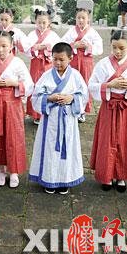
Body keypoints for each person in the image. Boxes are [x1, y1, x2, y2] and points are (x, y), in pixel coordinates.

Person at [89, 30, 127, 193]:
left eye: (121, 48)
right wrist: (109, 85)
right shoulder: (103, 64)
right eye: (114, 48)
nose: (117, 52)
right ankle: (106, 175)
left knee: (125, 140)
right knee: (107, 141)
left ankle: (121, 176)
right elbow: (92, 85)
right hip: (109, 107)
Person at [29, 42, 88, 195]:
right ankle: (49, 179)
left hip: (68, 119)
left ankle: (65, 179)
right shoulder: (46, 75)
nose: (58, 63)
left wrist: (72, 98)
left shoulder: (75, 76)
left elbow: (84, 95)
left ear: (70, 58)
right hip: (51, 120)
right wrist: (49, 98)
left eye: (61, 59)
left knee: (68, 148)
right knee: (49, 149)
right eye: (55, 59)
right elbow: (36, 96)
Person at [0, 31, 33, 188]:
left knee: (13, 136)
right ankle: (1, 170)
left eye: (4, 46)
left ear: (11, 46)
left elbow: (29, 85)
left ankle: (14, 171)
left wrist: (14, 83)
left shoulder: (17, 63)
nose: (0, 50)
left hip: (12, 104)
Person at [61, 8, 103, 122]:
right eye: (78, 17)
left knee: (84, 84)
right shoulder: (71, 31)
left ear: (88, 19)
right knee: (72, 83)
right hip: (73, 60)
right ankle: (70, 106)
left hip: (86, 61)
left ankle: (82, 110)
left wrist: (87, 47)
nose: (81, 20)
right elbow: (62, 43)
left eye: (83, 18)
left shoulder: (92, 32)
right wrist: (73, 45)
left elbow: (100, 48)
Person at [26, 9, 61, 124]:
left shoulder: (53, 35)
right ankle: (36, 114)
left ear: (49, 23)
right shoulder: (31, 35)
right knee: (36, 85)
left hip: (48, 63)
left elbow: (58, 48)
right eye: (39, 22)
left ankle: (49, 110)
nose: (41, 25)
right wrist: (35, 48)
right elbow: (27, 48)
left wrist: (48, 48)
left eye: (44, 23)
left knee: (48, 85)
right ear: (35, 21)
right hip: (36, 63)